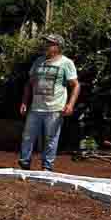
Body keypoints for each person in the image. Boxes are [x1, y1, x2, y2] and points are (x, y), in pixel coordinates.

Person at [18, 33, 80, 171]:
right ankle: (24, 163)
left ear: (57, 47)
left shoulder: (66, 63)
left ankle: (47, 167)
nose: (45, 45)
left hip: (55, 108)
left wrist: (70, 104)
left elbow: (75, 85)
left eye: (49, 43)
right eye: (45, 43)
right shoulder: (38, 62)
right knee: (27, 136)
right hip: (35, 108)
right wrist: (24, 102)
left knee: (50, 139)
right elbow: (29, 83)